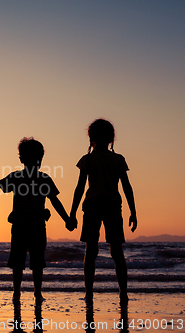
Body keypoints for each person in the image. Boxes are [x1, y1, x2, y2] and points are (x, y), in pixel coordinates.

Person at [0, 137, 74, 303]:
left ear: (21, 159)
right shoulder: (43, 178)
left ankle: (18, 294)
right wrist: (66, 219)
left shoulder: (17, 177)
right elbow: (55, 201)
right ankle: (35, 294)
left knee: (19, 262)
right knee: (36, 262)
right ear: (40, 159)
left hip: (22, 225)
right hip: (34, 225)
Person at [70, 118, 137, 305]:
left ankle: (89, 293)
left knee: (90, 251)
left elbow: (79, 188)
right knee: (116, 250)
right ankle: (123, 293)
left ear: (91, 138)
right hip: (112, 205)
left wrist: (72, 212)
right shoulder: (118, 159)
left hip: (92, 205)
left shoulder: (88, 159)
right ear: (111, 139)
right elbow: (127, 188)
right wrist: (133, 211)